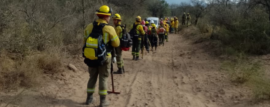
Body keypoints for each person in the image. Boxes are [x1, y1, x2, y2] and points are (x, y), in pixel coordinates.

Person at [83, 5, 120, 107]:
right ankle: (103, 101)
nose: (109, 18)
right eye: (109, 16)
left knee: (92, 77)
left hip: (91, 57)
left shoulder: (89, 26)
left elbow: (85, 41)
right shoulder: (109, 28)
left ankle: (89, 98)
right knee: (103, 78)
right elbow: (116, 44)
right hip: (105, 57)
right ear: (106, 17)